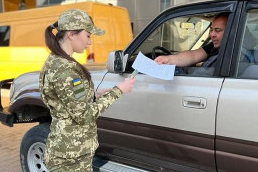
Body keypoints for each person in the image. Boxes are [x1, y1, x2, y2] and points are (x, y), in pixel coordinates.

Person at [39, 9, 136, 172]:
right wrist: (118, 91)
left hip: (72, 152)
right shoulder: (65, 70)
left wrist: (94, 94)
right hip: (70, 158)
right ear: (71, 34)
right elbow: (84, 116)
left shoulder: (58, 62)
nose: (90, 42)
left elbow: (66, 100)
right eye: (88, 35)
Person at [154, 13, 228, 74]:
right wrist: (169, 59)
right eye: (211, 30)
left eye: (218, 30)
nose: (212, 35)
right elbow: (194, 55)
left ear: (230, 31)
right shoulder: (216, 45)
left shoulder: (233, 54)